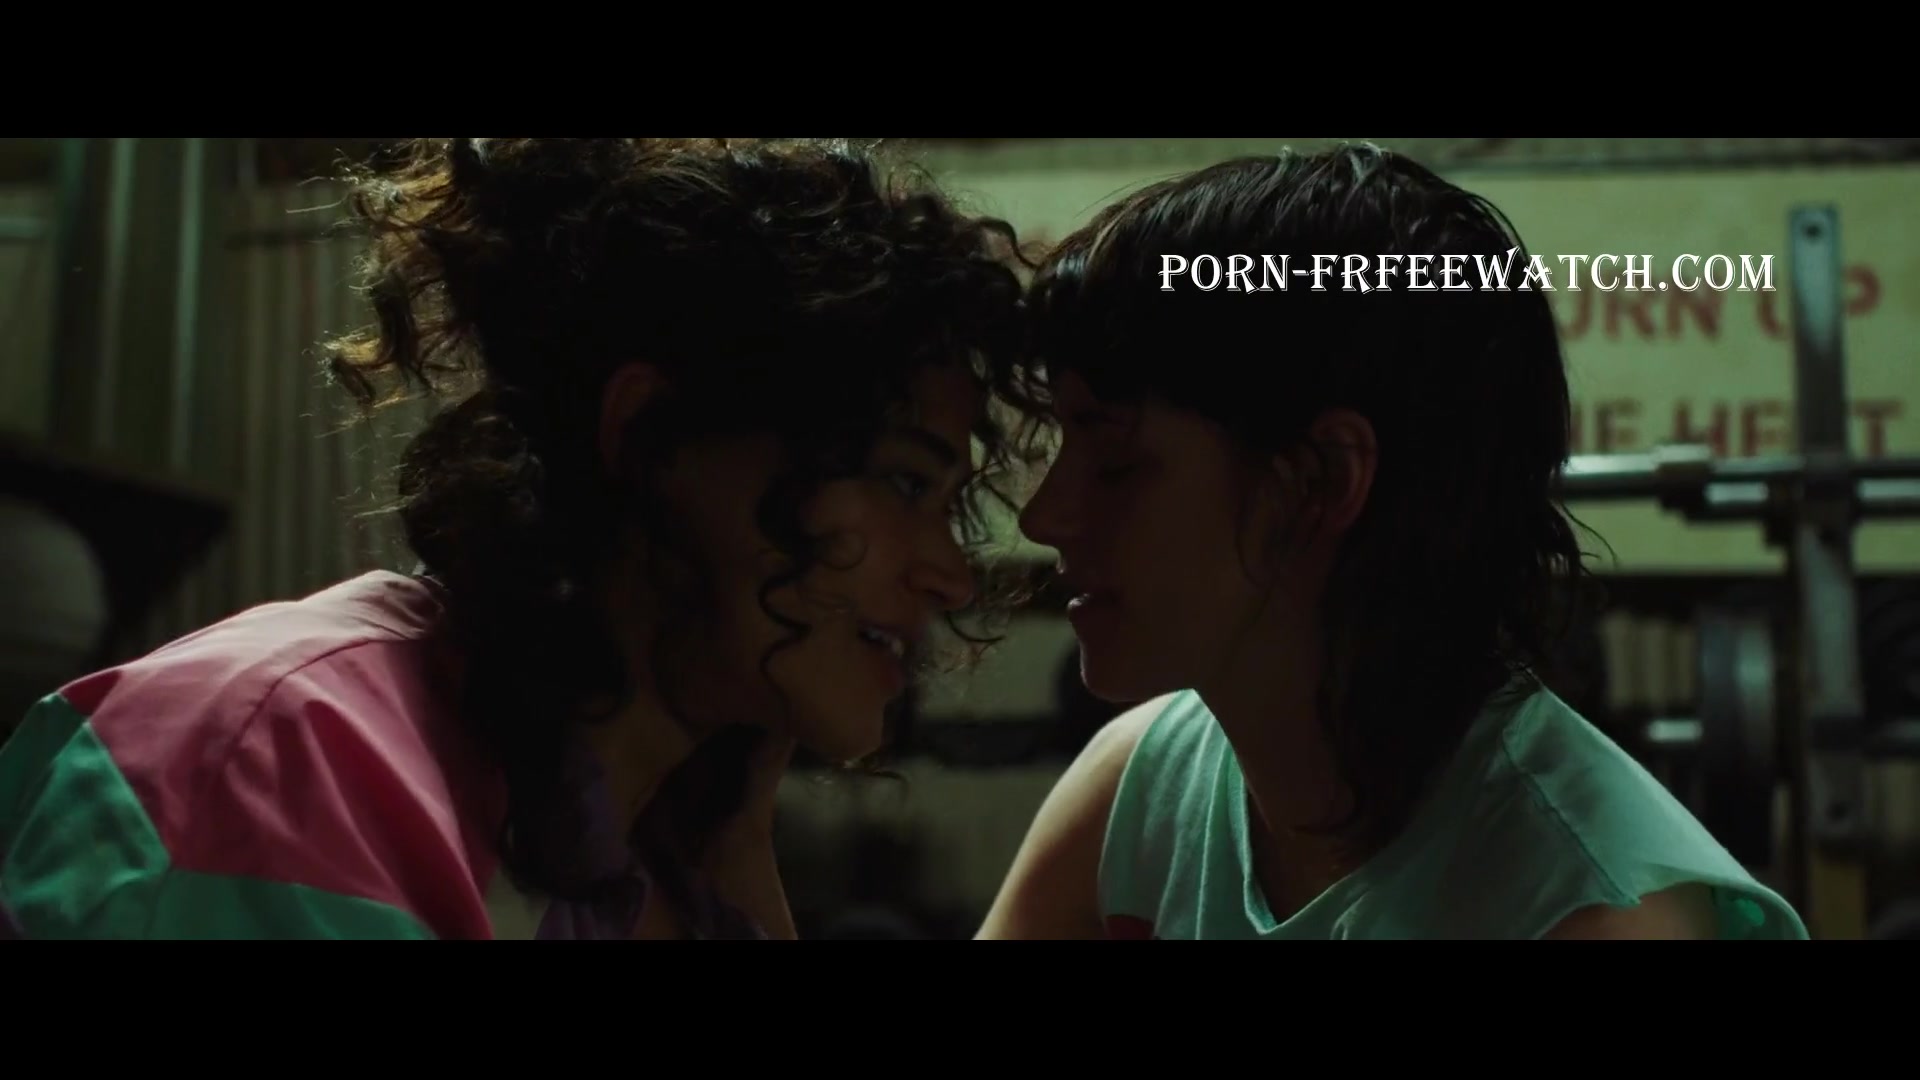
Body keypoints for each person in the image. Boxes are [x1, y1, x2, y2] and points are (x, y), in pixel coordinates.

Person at [0, 137, 1045, 940]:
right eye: (903, 481)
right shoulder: (284, 757)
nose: (951, 574)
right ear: (648, 436)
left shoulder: (660, 847)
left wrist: (740, 867)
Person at [978, 144, 1809, 940]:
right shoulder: (1136, 792)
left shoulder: (1594, 913)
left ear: (1322, 479)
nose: (1045, 516)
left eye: (1116, 464)